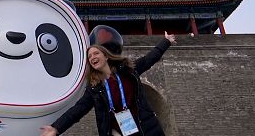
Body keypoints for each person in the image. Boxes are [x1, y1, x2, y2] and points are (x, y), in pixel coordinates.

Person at [40, 29, 176, 136]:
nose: (92, 57)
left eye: (96, 53)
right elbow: (77, 110)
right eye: (89, 56)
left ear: (105, 56)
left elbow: (150, 59)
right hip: (118, 132)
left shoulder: (127, 70)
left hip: (145, 127)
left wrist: (166, 41)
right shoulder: (95, 87)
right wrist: (56, 128)